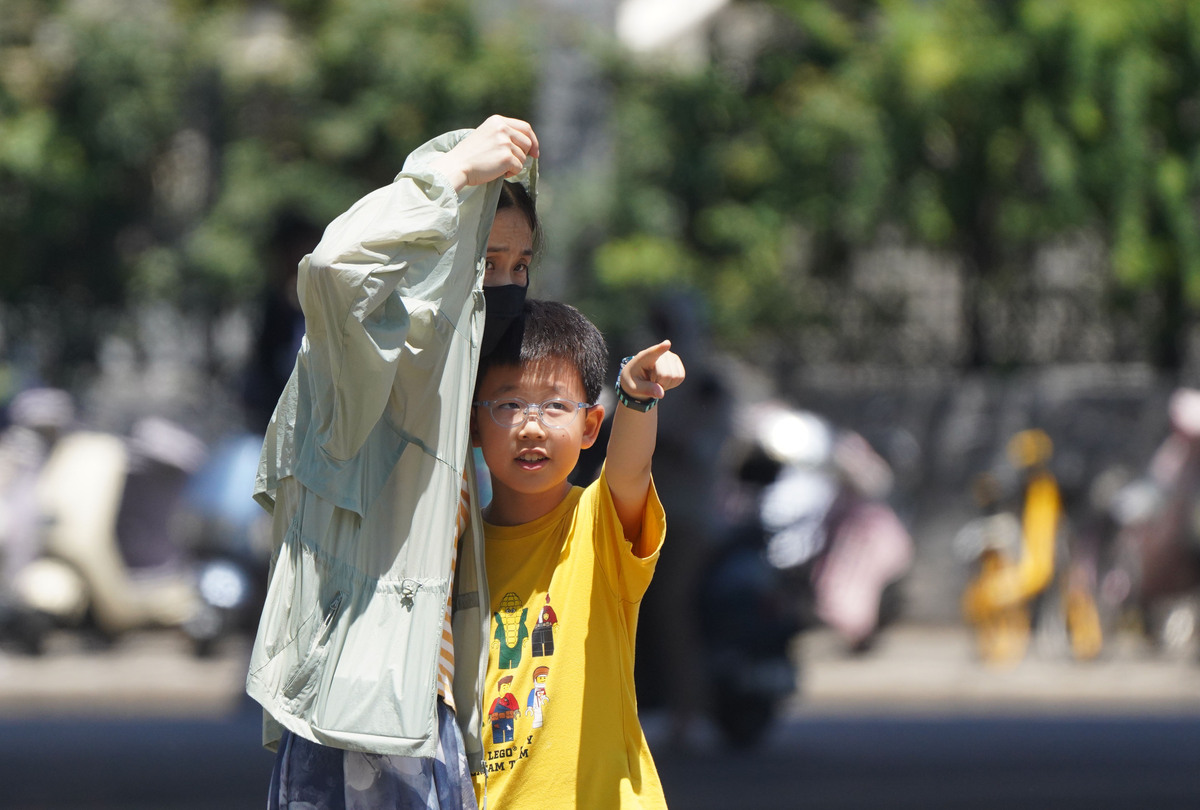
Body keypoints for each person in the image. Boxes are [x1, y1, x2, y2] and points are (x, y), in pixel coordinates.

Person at [246, 114, 539, 810]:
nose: (506, 285)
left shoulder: (460, 384)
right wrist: (448, 177)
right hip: (363, 715)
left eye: (520, 267)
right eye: (486, 259)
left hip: (420, 713)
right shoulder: (381, 359)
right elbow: (333, 266)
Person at [469, 299, 685, 808]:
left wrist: (636, 396)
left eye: (554, 405)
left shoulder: (596, 525)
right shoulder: (451, 548)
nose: (531, 426)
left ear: (590, 427)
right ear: (474, 425)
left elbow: (628, 470)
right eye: (508, 404)